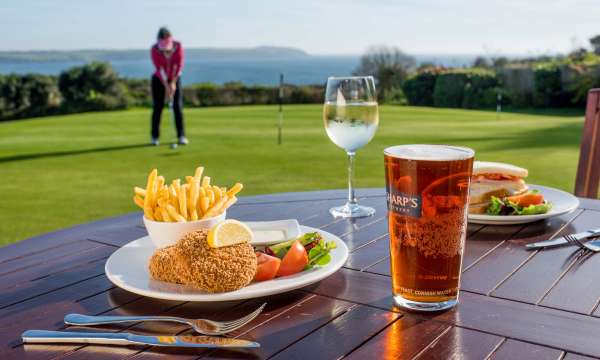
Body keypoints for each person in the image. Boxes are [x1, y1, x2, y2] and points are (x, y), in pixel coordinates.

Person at [150, 27, 188, 146]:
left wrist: (173, 83)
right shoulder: (155, 50)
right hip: (158, 79)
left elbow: (179, 65)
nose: (165, 51)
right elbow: (160, 69)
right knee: (158, 107)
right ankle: (155, 137)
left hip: (175, 77)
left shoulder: (178, 47)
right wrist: (167, 85)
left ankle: (181, 136)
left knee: (177, 106)